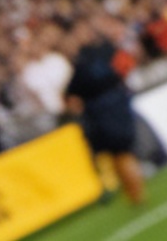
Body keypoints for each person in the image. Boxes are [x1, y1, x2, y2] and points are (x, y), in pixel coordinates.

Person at [62, 24, 144, 206]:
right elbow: (128, 64)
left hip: (102, 109)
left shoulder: (83, 62)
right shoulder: (103, 52)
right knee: (122, 151)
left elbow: (70, 97)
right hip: (116, 101)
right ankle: (135, 191)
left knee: (120, 152)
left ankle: (135, 192)